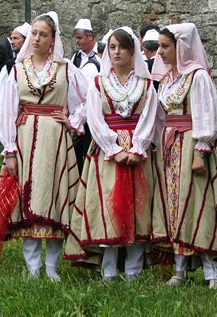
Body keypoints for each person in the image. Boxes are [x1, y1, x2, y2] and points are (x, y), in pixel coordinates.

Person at [0, 11, 88, 281]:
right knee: (26, 199)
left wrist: (72, 120)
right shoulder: (17, 69)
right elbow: (8, 109)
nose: (37, 38)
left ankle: (52, 267)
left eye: (43, 34)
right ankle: (33, 268)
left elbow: (89, 99)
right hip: (24, 139)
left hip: (56, 140)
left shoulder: (66, 68)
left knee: (54, 198)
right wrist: (9, 148)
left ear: (53, 39)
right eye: (34, 33)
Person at [151, 23, 217, 290]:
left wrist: (201, 149)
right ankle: (179, 270)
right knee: (174, 207)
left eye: (166, 46)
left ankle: (212, 273)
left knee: (200, 204)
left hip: (191, 145)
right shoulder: (167, 80)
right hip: (169, 150)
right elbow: (161, 117)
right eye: (159, 46)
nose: (161, 52)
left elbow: (207, 114)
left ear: (181, 47)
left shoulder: (197, 76)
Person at [64, 27, 157, 282]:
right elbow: (95, 118)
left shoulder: (145, 84)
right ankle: (108, 270)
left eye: (122, 47)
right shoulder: (98, 83)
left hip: (138, 153)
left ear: (132, 51)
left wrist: (138, 147)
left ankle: (134, 270)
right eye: (113, 47)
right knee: (107, 207)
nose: (116, 52)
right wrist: (112, 148)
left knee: (138, 207)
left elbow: (150, 118)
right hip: (106, 152)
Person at [70, 18, 101, 176]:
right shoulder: (75, 57)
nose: (77, 41)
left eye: (80, 37)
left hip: (94, 109)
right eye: (76, 38)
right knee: (76, 149)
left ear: (90, 36)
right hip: (78, 111)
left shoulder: (101, 53)